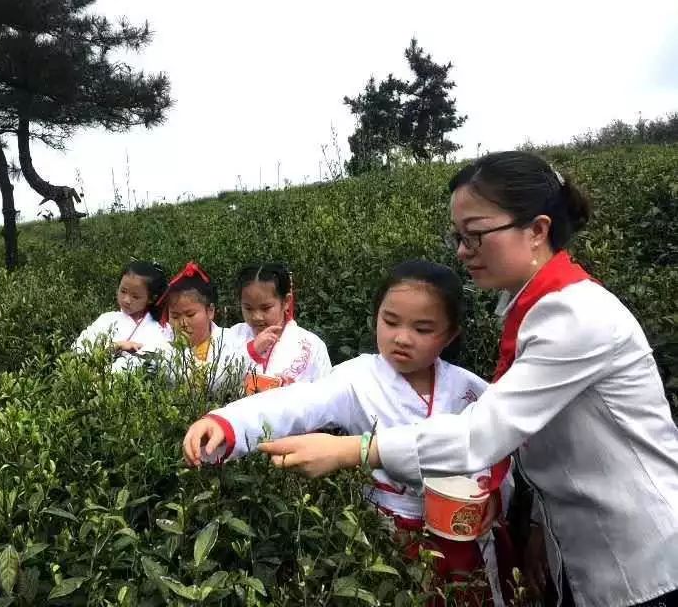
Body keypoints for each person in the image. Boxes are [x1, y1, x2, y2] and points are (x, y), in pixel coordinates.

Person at [225, 151, 678, 607]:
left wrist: (354, 449)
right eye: (459, 237)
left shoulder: (574, 316)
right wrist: (545, 527)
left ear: (537, 231)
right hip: (594, 551)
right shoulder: (537, 310)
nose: (463, 251)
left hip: (645, 560)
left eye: (476, 235)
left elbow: (481, 435)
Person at [183, 260, 510, 604]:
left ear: (451, 334)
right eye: (390, 321)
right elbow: (300, 401)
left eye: (423, 329)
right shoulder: (359, 379)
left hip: (461, 536)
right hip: (384, 533)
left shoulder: (469, 390)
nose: (401, 337)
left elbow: (500, 447)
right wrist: (229, 423)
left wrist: (495, 493)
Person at [227, 262, 331, 393]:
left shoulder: (312, 345)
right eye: (248, 308)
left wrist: (294, 392)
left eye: (266, 308)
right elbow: (214, 381)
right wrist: (251, 351)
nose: (256, 316)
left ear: (286, 301)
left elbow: (326, 398)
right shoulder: (232, 336)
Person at [155, 261, 243, 390]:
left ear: (210, 311)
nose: (183, 323)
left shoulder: (233, 341)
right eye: (175, 316)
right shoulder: (161, 342)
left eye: (190, 315)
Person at [72, 260, 168, 355]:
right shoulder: (107, 319)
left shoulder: (158, 329)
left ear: (151, 299)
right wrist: (116, 346)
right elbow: (77, 348)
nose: (126, 300)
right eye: (123, 291)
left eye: (135, 296)